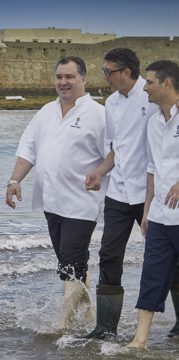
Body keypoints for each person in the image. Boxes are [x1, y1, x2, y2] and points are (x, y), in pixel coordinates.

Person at [6, 56, 108, 328]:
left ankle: (64, 322)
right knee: (71, 262)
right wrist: (14, 181)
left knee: (70, 265)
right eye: (59, 77)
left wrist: (99, 174)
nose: (63, 83)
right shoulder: (45, 112)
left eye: (70, 77)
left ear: (84, 79)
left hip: (81, 202)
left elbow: (114, 154)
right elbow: (28, 150)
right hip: (51, 202)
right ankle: (88, 314)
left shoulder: (98, 114)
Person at [84, 48, 179, 339]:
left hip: (153, 194)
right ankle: (105, 327)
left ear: (126, 73)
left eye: (108, 71)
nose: (104, 77)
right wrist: (100, 171)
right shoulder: (110, 104)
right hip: (120, 192)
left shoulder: (151, 97)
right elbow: (118, 149)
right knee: (109, 254)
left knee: (171, 258)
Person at [126, 61, 179, 349]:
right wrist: (146, 211)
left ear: (167, 83)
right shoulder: (153, 122)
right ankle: (140, 339)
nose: (144, 87)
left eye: (149, 82)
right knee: (152, 276)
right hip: (160, 215)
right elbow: (151, 169)